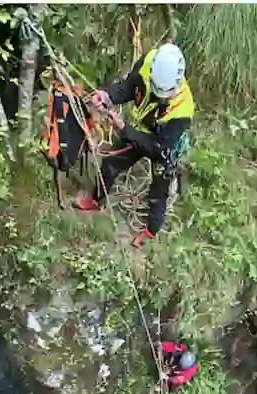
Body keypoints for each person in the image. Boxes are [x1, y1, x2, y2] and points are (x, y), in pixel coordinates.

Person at [72, 43, 195, 248]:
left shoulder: (183, 109)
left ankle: (151, 230)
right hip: (139, 130)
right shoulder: (148, 63)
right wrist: (108, 96)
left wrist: (124, 130)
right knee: (110, 162)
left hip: (163, 146)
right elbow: (130, 87)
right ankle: (96, 199)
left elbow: (157, 148)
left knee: (158, 191)